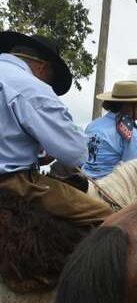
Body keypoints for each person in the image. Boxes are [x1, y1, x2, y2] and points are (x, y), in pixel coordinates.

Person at [0, 31, 112, 225]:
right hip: (12, 183)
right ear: (43, 67)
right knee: (108, 216)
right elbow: (75, 153)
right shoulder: (32, 87)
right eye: (50, 79)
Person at [82, 81, 137, 179]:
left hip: (83, 182)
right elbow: (133, 174)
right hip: (109, 188)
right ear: (129, 106)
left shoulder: (92, 125)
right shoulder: (132, 135)